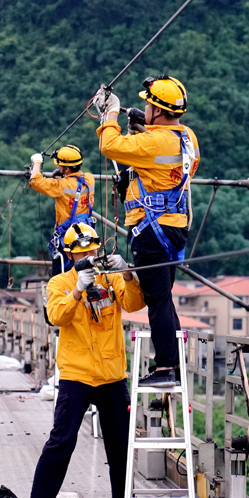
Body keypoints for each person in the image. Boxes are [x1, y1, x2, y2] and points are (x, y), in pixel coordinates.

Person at [27, 223, 154, 498]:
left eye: (92, 251)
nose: (88, 257)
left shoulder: (110, 279)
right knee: (63, 438)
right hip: (77, 374)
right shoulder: (59, 283)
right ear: (70, 255)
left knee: (121, 443)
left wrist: (127, 274)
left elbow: (135, 303)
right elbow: (57, 316)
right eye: (81, 253)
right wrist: (77, 289)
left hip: (111, 374)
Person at [93, 75, 200, 388]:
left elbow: (109, 146)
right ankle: (173, 364)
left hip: (151, 231)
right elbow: (161, 156)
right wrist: (144, 127)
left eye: (148, 104)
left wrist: (110, 112)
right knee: (163, 298)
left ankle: (165, 367)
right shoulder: (186, 137)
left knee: (157, 300)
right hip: (174, 227)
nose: (144, 107)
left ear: (158, 109)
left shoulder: (154, 142)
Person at [29, 145, 96, 275]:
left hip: (68, 236)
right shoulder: (89, 179)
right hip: (87, 233)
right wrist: (62, 176)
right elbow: (74, 182)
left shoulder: (62, 185)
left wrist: (37, 163)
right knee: (87, 270)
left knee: (64, 274)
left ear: (66, 168)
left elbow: (36, 182)